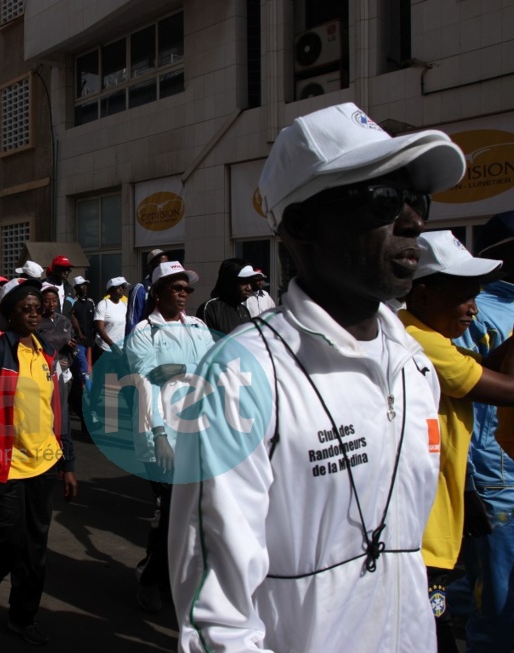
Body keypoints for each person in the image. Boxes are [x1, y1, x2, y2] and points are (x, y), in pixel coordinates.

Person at [169, 102, 466, 651]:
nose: (414, 221)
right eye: (382, 200)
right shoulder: (243, 375)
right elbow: (217, 621)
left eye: (416, 200)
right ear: (300, 223)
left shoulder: (415, 367)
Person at [401, 230, 514, 651]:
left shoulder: (427, 336)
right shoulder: (419, 341)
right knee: (432, 633)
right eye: (463, 296)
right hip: (421, 531)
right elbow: (513, 388)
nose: (473, 309)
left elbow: (483, 369)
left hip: (436, 522)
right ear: (422, 293)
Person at [0, 278, 77, 646]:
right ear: (8, 315)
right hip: (5, 468)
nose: (34, 313)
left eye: (36, 307)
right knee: (8, 541)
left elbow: (58, 412)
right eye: (24, 309)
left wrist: (69, 464)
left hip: (44, 466)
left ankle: (22, 616)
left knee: (35, 548)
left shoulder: (48, 353)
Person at [452, 210, 514, 652]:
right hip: (496, 475)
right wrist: (469, 480)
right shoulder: (471, 308)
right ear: (503, 257)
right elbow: (462, 394)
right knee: (497, 595)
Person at [124, 261, 214, 613]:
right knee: (173, 512)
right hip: (162, 435)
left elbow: (213, 369)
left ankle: (175, 577)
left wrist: (182, 370)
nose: (183, 294)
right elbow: (148, 383)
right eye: (176, 288)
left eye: (187, 289)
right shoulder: (144, 333)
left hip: (198, 432)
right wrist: (160, 434)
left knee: (195, 513)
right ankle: (151, 579)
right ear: (157, 292)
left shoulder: (197, 326)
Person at [36, 282, 76, 443]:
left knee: (62, 412)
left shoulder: (64, 321)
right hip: (47, 373)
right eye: (47, 300)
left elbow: (72, 346)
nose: (51, 304)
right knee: (48, 411)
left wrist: (68, 357)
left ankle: (63, 445)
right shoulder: (37, 323)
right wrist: (55, 363)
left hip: (65, 375)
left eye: (54, 300)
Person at [198, 259, 255, 336]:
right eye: (244, 282)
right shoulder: (211, 308)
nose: (249, 288)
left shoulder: (244, 310)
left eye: (251, 282)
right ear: (230, 281)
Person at [127, 249, 170, 336]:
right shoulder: (140, 289)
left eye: (167, 264)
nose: (164, 267)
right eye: (160, 264)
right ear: (150, 266)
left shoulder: (171, 287)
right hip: (145, 341)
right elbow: (132, 320)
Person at [94, 277, 129, 358]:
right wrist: (112, 345)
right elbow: (100, 329)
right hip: (104, 349)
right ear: (110, 290)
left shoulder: (124, 305)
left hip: (120, 349)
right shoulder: (103, 305)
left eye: (124, 287)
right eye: (119, 287)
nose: (122, 289)